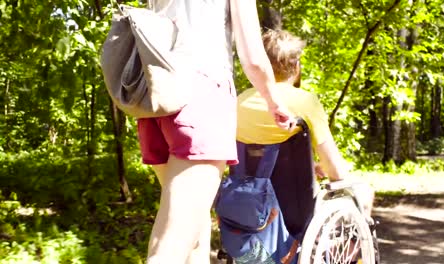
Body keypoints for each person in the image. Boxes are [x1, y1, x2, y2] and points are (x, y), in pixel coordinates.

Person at [137, 1, 295, 263]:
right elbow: (254, 57)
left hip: (155, 99)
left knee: (194, 232)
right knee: (170, 247)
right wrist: (274, 101)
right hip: (202, 93)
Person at [237, 29, 374, 216]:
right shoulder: (306, 102)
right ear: (296, 67)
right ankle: (349, 246)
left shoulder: (239, 101)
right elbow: (335, 170)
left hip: (248, 202)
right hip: (296, 208)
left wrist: (308, 167)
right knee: (364, 191)